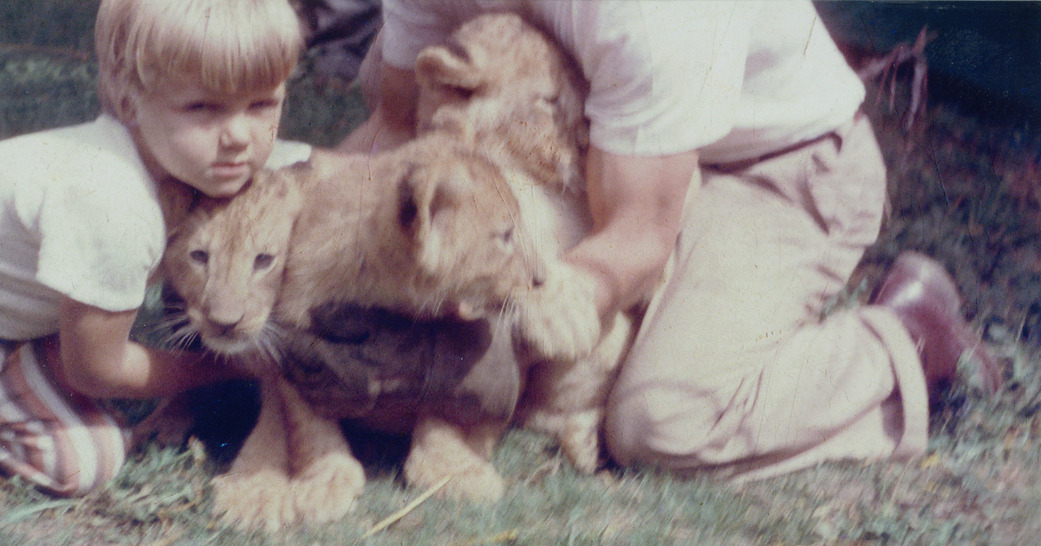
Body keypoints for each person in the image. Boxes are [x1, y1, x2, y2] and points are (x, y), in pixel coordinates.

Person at [326, 0, 1001, 481]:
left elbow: (637, 237)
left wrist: (543, 300)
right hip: (607, 145)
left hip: (767, 171)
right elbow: (392, 129)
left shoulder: (650, 13)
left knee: (662, 422)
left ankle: (906, 341)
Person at [0, 0, 312, 497]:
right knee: (84, 461)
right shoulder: (115, 204)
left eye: (261, 105)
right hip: (59, 351)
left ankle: (38, 360)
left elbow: (316, 166)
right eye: (202, 107)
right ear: (128, 102)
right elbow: (97, 370)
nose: (238, 137)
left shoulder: (184, 159)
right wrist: (220, 366)